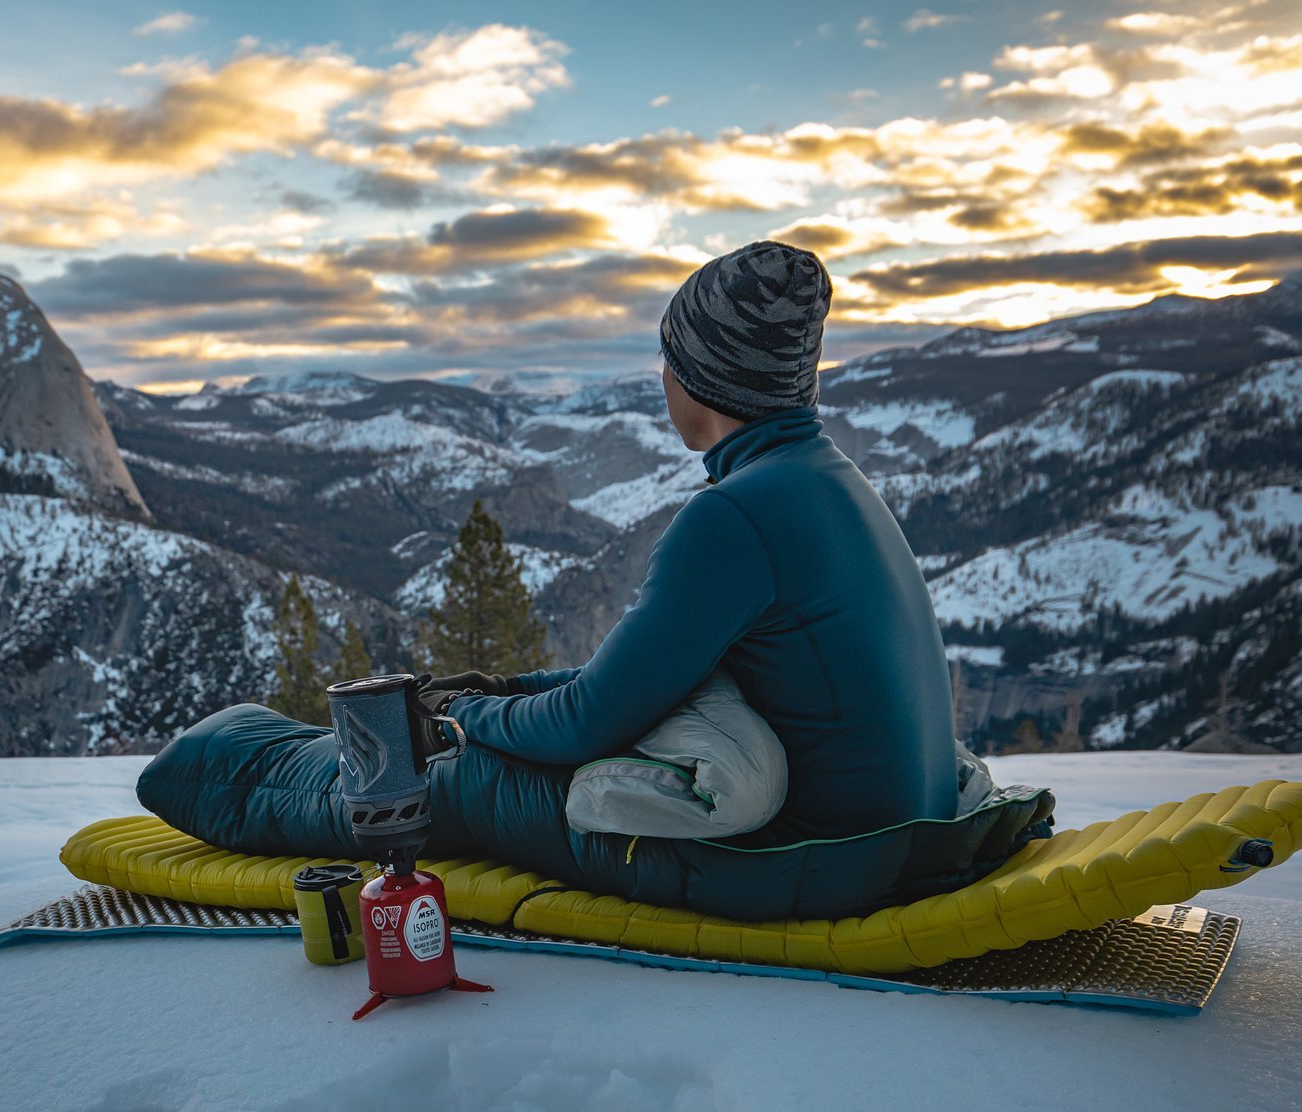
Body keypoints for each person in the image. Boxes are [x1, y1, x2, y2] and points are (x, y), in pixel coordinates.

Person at [140, 242, 998, 922]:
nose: (661, 377)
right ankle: (257, 747)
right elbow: (659, 683)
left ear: (706, 379)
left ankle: (205, 769)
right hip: (882, 841)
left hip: (804, 862)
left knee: (450, 782)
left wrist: (463, 717)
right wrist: (504, 691)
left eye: (670, 356)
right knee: (479, 754)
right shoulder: (827, 481)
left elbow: (591, 721)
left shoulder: (734, 516)